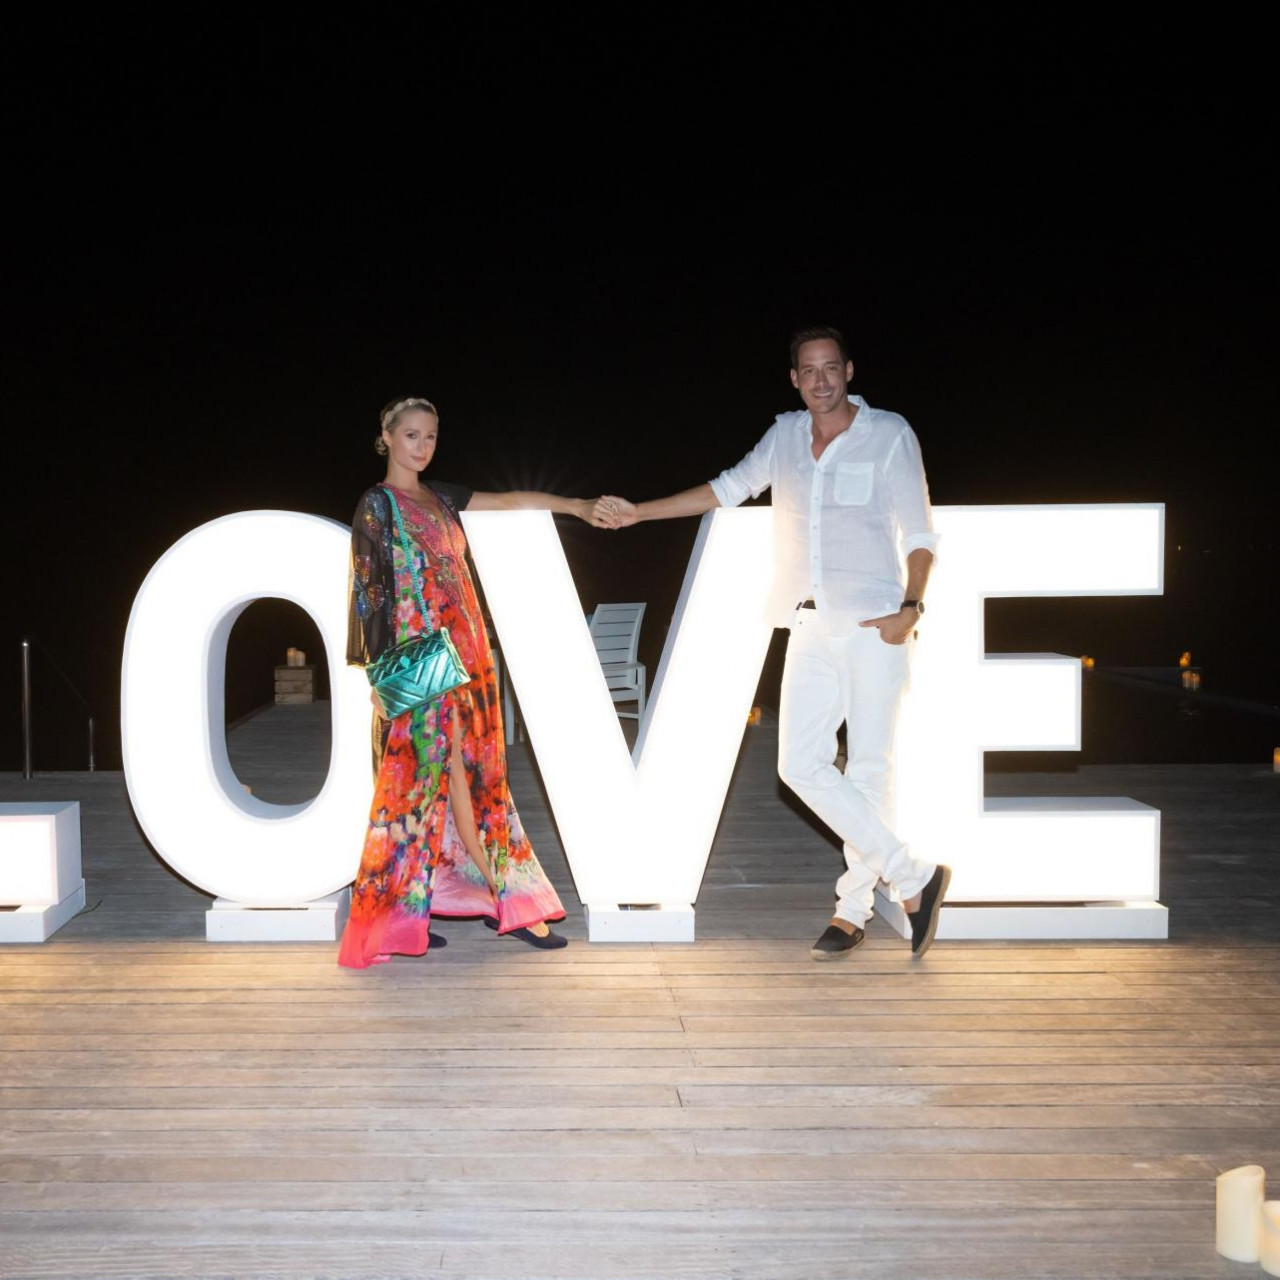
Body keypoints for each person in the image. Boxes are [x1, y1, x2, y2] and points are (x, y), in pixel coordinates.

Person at [598, 327, 950, 960]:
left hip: (875, 625)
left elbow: (920, 532)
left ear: (849, 370)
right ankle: (913, 875)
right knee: (799, 765)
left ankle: (852, 910)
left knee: (869, 770)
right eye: (808, 371)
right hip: (808, 623)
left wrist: (911, 606)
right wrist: (639, 512)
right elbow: (725, 488)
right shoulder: (784, 435)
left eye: (830, 368)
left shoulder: (889, 433)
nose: (821, 380)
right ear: (794, 379)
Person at [338, 396, 609, 968]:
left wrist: (576, 505)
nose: (422, 446)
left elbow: (509, 501)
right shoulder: (377, 504)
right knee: (457, 783)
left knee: (453, 783)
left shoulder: (441, 497)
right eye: (412, 435)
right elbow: (369, 590)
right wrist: (380, 674)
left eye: (431, 436)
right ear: (387, 435)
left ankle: (405, 915)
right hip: (421, 663)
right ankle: (512, 903)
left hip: (468, 655)